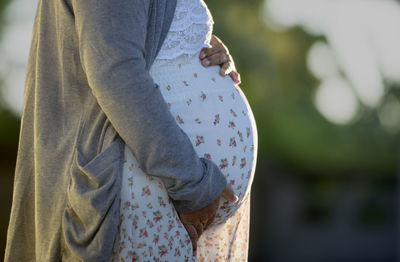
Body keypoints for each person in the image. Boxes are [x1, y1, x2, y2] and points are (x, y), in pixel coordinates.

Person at [5, 0, 257, 261]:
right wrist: (192, 183)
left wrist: (199, 47)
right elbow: (115, 71)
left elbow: (127, 37)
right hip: (153, 190)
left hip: (175, 197)